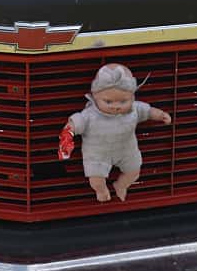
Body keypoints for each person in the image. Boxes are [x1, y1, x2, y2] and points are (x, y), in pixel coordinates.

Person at [59, 62, 171, 202]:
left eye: (123, 101)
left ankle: (121, 185)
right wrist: (68, 131)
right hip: (98, 154)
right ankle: (101, 190)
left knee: (134, 172)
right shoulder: (90, 115)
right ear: (95, 97)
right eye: (108, 102)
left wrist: (160, 115)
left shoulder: (134, 110)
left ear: (132, 97)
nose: (116, 106)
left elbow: (148, 111)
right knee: (96, 179)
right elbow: (77, 122)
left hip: (127, 151)